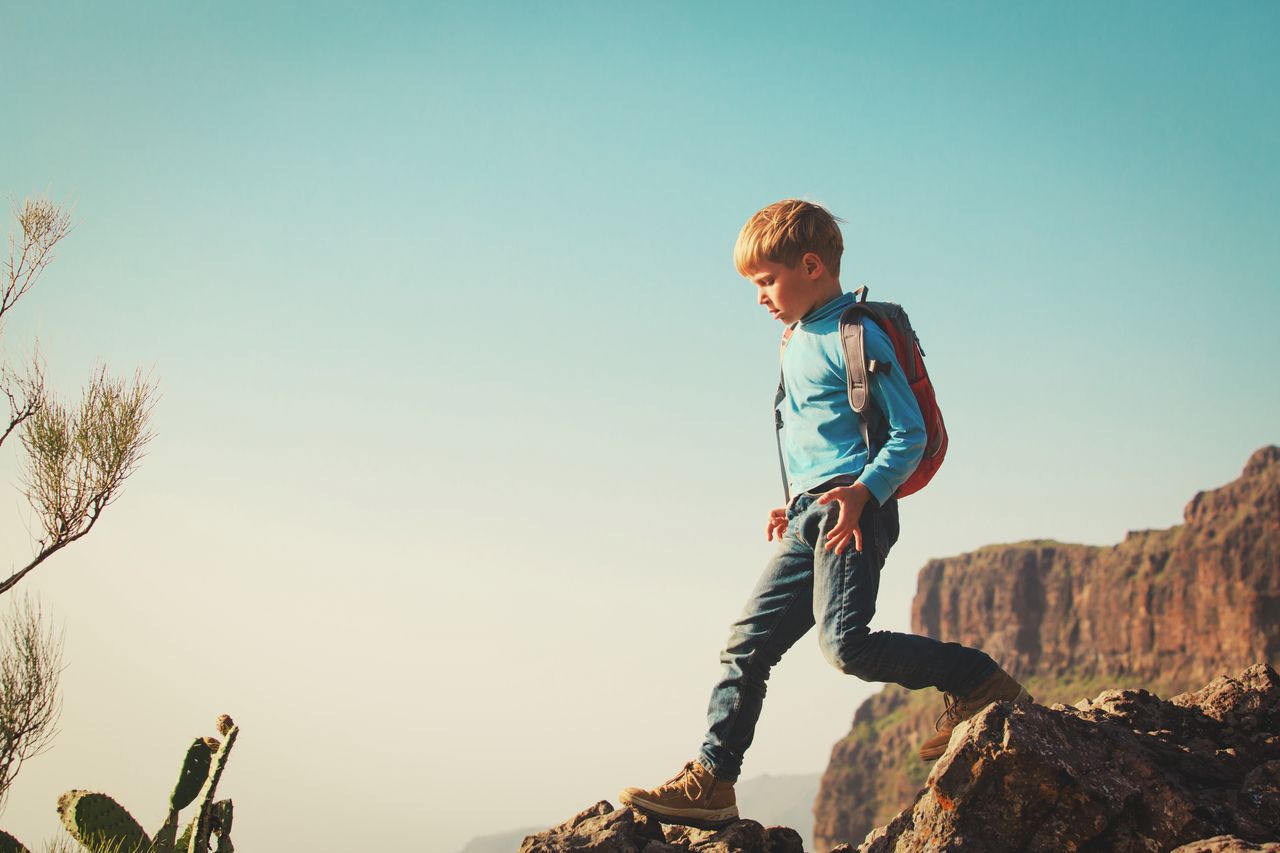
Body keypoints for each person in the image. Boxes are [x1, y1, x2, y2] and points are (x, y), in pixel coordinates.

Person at [618, 199, 1032, 829]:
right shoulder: (794, 338)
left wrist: (863, 494)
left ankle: (976, 679)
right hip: (812, 512)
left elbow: (909, 435)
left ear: (811, 265)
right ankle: (713, 781)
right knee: (745, 645)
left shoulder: (855, 332)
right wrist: (794, 503)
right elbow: (820, 432)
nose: (760, 297)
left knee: (847, 647)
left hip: (853, 512)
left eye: (766, 281)